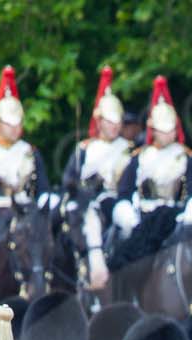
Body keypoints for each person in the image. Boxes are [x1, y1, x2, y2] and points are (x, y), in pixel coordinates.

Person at [109, 77, 192, 272]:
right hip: (143, 220)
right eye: (163, 130)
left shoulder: (185, 157)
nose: (168, 135)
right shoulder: (139, 158)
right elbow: (124, 194)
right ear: (153, 130)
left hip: (174, 219)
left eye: (171, 130)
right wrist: (130, 219)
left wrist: (189, 215)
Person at [62, 67, 133, 292]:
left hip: (120, 202)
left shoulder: (130, 150)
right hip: (89, 204)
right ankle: (91, 274)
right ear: (99, 121)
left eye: (117, 121)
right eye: (109, 121)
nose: (114, 126)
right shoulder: (84, 149)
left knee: (131, 223)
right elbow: (70, 183)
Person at [0, 66, 52, 223]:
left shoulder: (30, 152)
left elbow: (42, 187)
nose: (14, 128)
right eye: (9, 124)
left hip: (26, 214)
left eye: (17, 123)